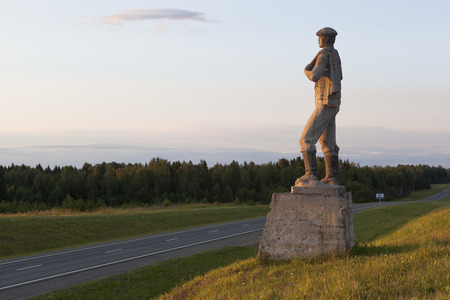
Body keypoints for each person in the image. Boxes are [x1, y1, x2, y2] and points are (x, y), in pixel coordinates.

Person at [296, 27, 343, 186]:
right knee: (328, 143)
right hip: (333, 103)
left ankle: (311, 175)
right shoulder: (334, 54)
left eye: (320, 38)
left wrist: (306, 70)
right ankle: (332, 177)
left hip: (324, 102)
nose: (318, 40)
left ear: (326, 40)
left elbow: (314, 75)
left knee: (306, 139)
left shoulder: (323, 55)